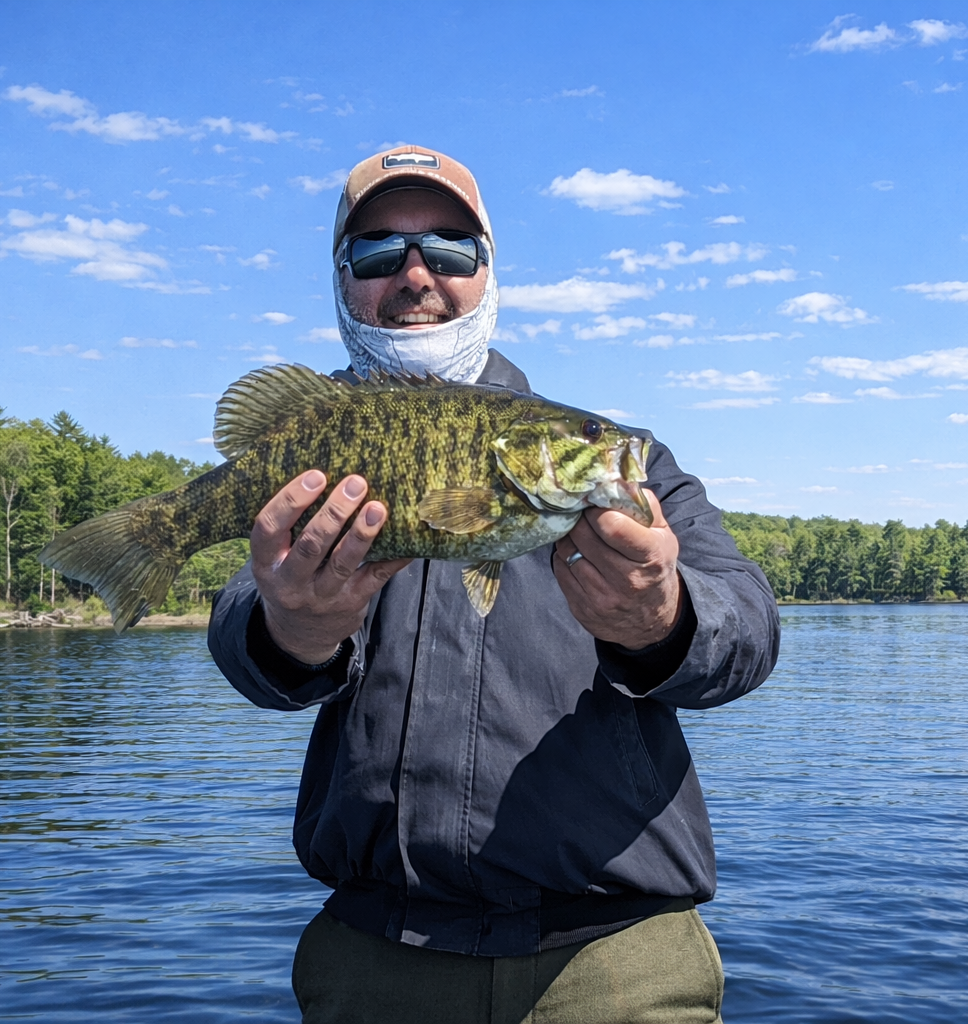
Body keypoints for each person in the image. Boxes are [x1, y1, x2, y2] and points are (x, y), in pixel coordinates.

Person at [208, 145, 780, 1024]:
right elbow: (238, 616)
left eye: (448, 250)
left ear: (487, 272)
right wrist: (289, 630)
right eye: (376, 253)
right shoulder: (314, 440)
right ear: (343, 281)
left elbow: (748, 628)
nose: (414, 275)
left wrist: (664, 619)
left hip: (614, 962)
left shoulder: (629, 466)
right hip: (372, 963)